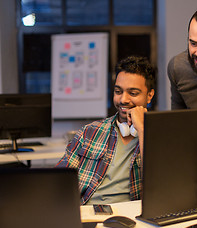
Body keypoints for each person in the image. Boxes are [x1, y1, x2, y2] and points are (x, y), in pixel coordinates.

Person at [56, 56, 155, 205]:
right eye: (118, 91)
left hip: (131, 218)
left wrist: (142, 130)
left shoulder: (161, 136)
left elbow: (159, 185)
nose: (123, 100)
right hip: (87, 212)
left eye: (133, 93)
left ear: (149, 95)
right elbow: (59, 181)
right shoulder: (89, 132)